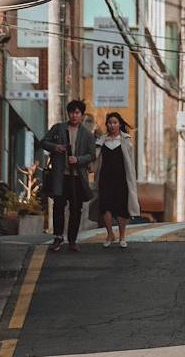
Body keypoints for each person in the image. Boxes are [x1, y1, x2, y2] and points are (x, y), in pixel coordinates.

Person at [41, 100, 96, 252]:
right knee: (58, 206)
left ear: (82, 115)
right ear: (68, 113)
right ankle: (58, 238)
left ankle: (72, 240)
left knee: (76, 209)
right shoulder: (58, 128)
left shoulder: (87, 134)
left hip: (77, 177)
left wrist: (78, 159)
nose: (74, 115)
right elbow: (43, 142)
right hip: (60, 175)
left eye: (77, 113)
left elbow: (92, 155)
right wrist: (55, 147)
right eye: (72, 112)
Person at [93, 112, 140, 248]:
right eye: (110, 123)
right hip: (105, 179)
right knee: (105, 207)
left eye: (115, 122)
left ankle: (122, 237)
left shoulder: (126, 140)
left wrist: (132, 178)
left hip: (122, 179)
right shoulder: (102, 140)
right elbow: (96, 159)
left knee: (122, 208)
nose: (112, 125)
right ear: (107, 125)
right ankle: (109, 234)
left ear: (119, 124)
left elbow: (130, 162)